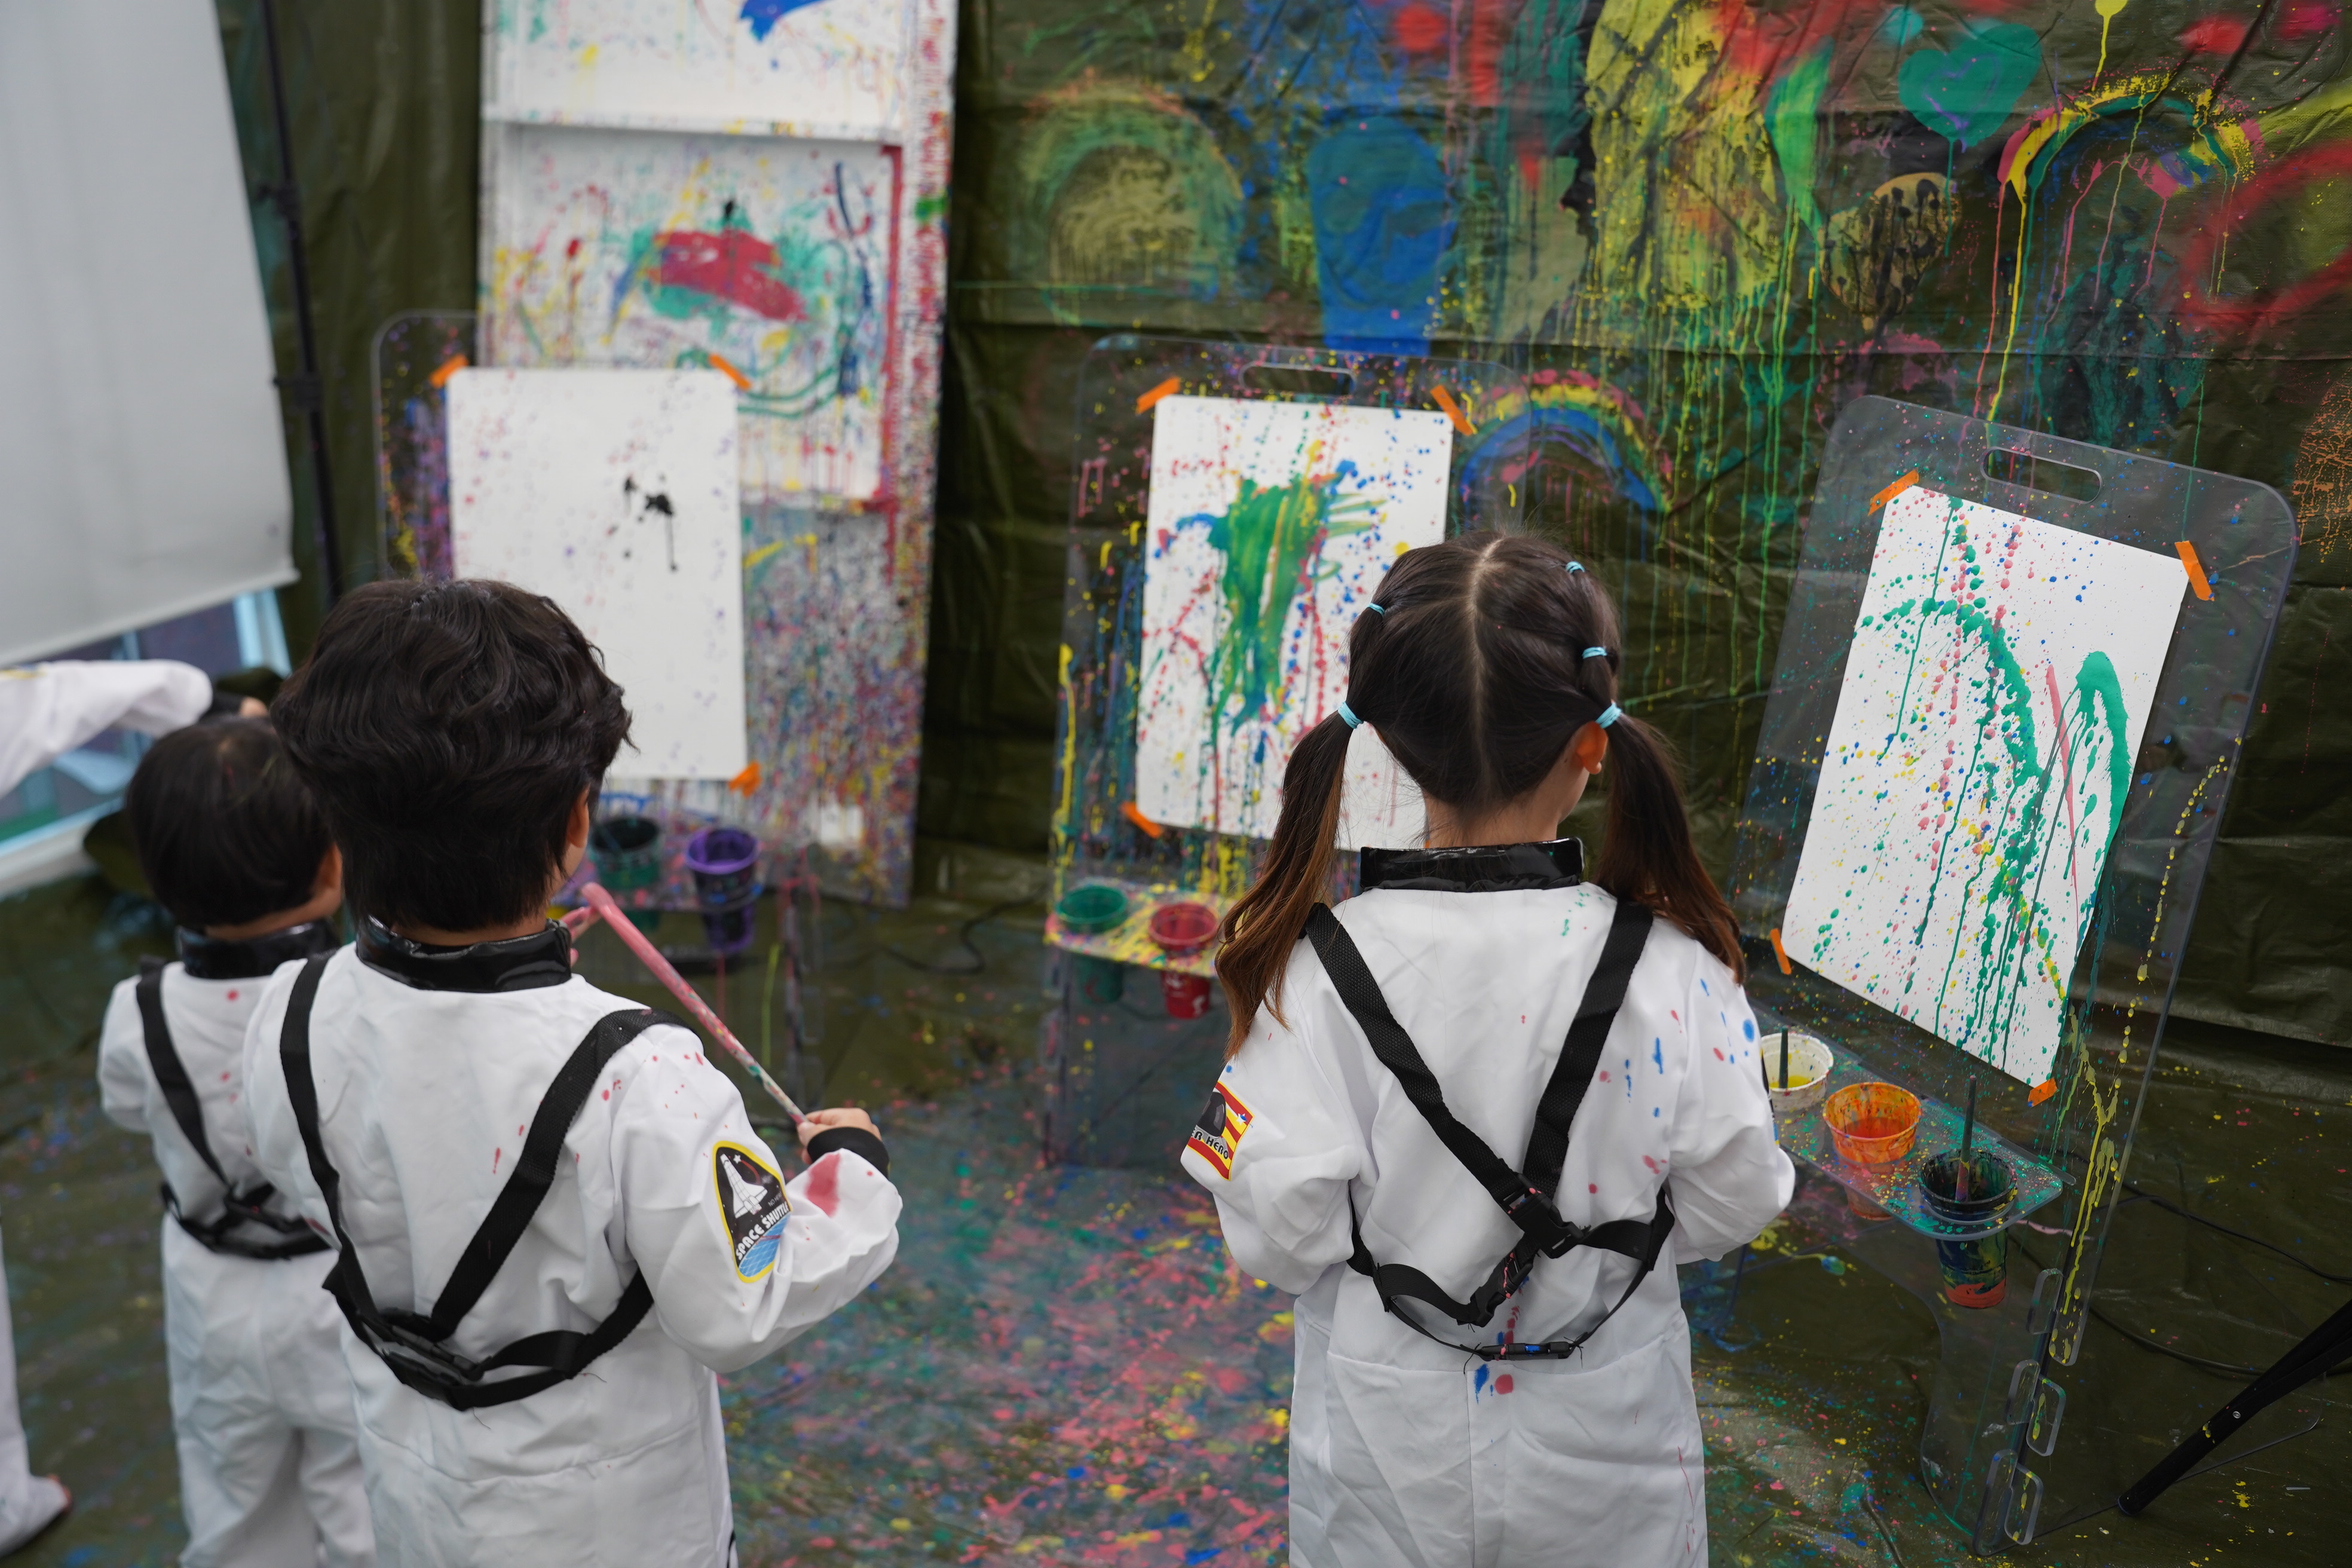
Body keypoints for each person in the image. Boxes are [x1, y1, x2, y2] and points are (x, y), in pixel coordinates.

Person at [238, 579, 900, 1568]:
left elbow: (315, 1177)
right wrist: (853, 1179)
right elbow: (739, 1303)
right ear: (574, 826)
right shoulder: (644, 1076)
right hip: (613, 1522)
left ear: (337, 824)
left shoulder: (289, 1010)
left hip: (414, 1490)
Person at [1183, 535, 1794, 1566]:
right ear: (1593, 743)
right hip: (1609, 1455)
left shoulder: (1314, 977)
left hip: (1390, 1459)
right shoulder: (1677, 970)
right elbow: (1736, 1200)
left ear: (1388, 747)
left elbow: (1278, 1239)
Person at [96, 717, 372, 1567]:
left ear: (157, 878)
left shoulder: (136, 1011)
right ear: (332, 867)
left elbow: (127, 1108)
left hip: (211, 1298)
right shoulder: (359, 1000)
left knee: (233, 1511)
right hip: (341, 1298)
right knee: (366, 1507)